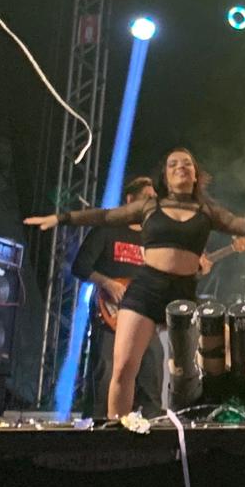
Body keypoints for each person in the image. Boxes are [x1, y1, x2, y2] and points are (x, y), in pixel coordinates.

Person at [27, 147, 245, 419]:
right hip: (146, 289)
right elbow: (104, 216)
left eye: (186, 163)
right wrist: (60, 218)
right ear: (165, 175)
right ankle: (116, 431)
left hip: (182, 294)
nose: (179, 167)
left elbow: (243, 225)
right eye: (172, 164)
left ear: (196, 174)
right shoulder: (150, 207)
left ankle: (224, 415)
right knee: (123, 369)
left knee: (213, 358)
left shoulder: (207, 211)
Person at [70, 176, 163, 417]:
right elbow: (79, 266)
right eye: (147, 198)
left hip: (143, 318)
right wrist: (107, 283)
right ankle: (98, 429)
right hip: (111, 316)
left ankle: (151, 428)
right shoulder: (107, 229)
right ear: (130, 200)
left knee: (151, 375)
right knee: (105, 376)